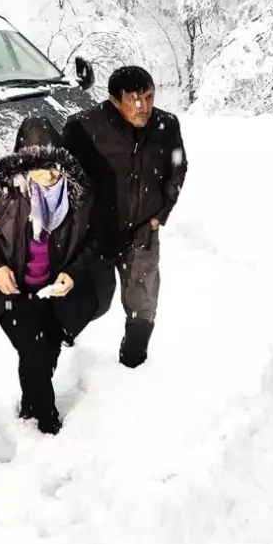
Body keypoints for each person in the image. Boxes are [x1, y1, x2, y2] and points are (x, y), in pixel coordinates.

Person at [0, 118, 112, 434]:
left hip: (55, 288)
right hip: (12, 289)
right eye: (38, 164)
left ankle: (30, 403)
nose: (49, 173)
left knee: (48, 349)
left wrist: (72, 273)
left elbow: (96, 237)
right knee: (34, 351)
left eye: (54, 162)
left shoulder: (79, 191)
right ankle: (46, 421)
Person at [61, 66, 187, 368]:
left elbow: (178, 168)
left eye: (149, 97)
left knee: (142, 303)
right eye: (135, 99)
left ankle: (133, 363)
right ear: (116, 100)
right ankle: (63, 334)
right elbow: (65, 180)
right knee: (87, 295)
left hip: (143, 229)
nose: (143, 106)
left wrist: (160, 215)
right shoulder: (84, 127)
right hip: (96, 233)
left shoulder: (167, 125)